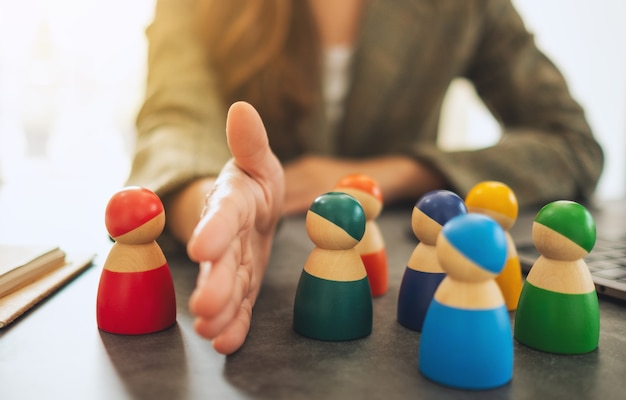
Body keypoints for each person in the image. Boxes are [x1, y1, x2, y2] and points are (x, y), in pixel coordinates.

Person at [126, 0, 604, 354]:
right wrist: (213, 204)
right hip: (246, 264)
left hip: (392, 270)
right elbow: (175, 118)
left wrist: (394, 173)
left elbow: (571, 142)